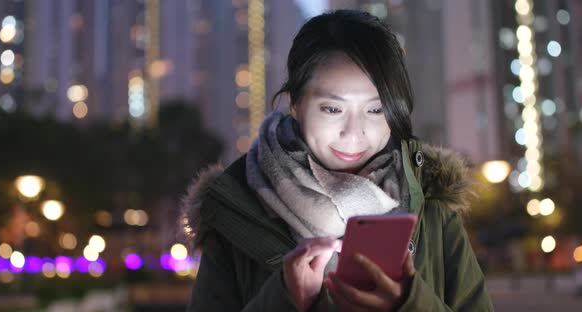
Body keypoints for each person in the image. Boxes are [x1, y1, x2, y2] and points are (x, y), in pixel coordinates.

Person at [181, 10, 493, 311]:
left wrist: (408, 303)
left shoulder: (431, 207)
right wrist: (285, 300)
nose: (354, 133)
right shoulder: (236, 210)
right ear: (295, 104)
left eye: (375, 110)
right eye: (332, 109)